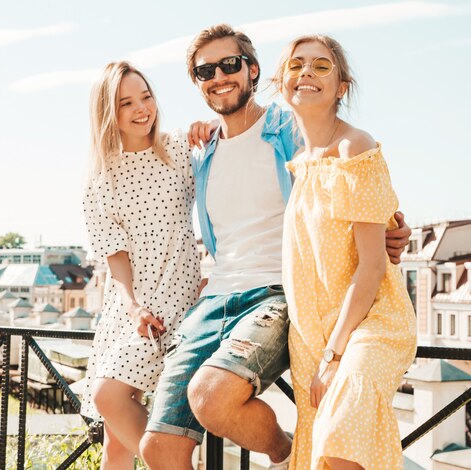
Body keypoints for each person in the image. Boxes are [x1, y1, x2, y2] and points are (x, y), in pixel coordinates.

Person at [140, 24, 412, 470]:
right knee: (159, 450)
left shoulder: (290, 124)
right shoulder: (201, 148)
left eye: (229, 64)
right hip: (214, 299)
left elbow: (352, 175)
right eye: (205, 70)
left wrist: (392, 227)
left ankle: (286, 456)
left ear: (253, 70)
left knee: (213, 397)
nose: (219, 77)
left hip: (276, 295)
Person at [274, 35, 418, 469]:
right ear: (283, 83)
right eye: (296, 65)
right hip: (313, 333)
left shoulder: (354, 148)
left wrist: (333, 354)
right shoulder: (301, 161)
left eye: (321, 67)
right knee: (317, 450)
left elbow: (373, 266)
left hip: (369, 324)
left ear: (341, 87)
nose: (306, 74)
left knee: (340, 440)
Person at [80, 61, 201, 469]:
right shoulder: (100, 178)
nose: (141, 109)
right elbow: (114, 254)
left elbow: (230, 198)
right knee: (115, 444)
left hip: (178, 297)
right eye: (126, 102)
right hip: (131, 308)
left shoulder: (181, 149)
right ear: (107, 113)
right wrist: (132, 304)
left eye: (146, 97)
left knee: (107, 395)